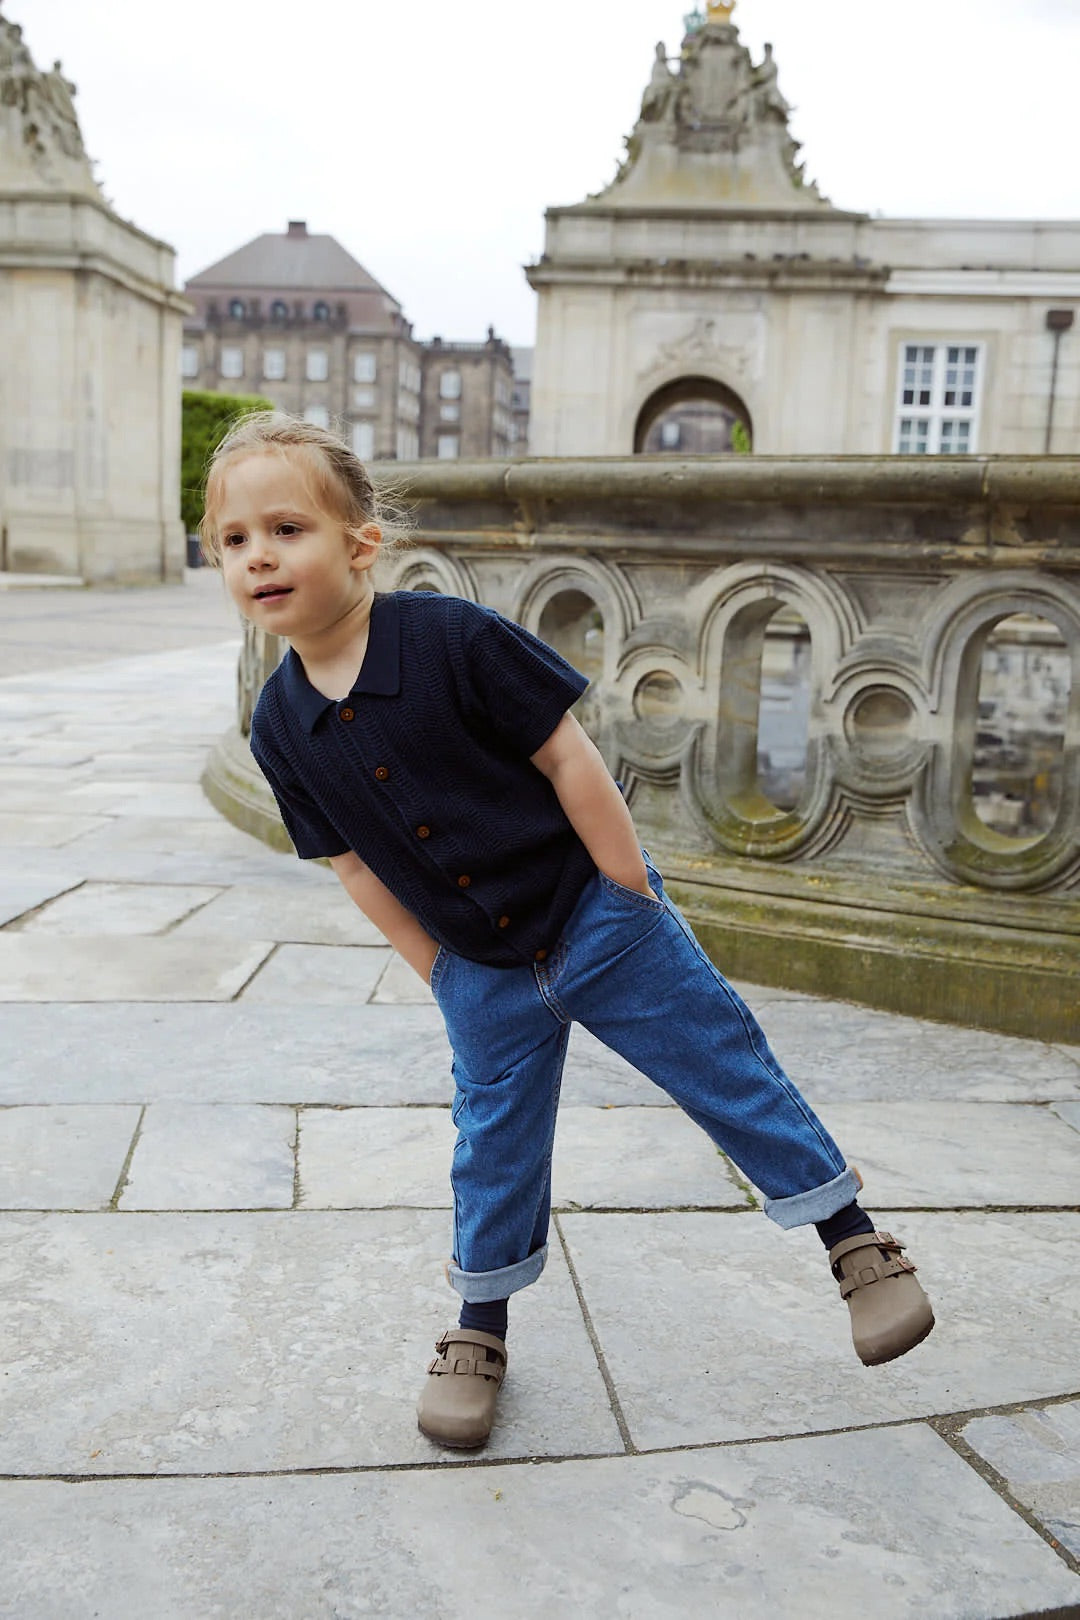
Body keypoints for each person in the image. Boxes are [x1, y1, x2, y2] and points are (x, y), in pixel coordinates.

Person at [200, 411, 935, 1451]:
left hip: (597, 919)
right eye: (235, 541)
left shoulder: (450, 640)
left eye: (287, 529)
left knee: (724, 1066)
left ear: (360, 544)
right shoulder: (279, 724)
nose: (259, 556)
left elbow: (567, 757)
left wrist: (630, 891)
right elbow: (353, 862)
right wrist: (438, 971)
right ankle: (480, 1325)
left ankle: (855, 1241)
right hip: (482, 970)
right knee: (492, 1150)